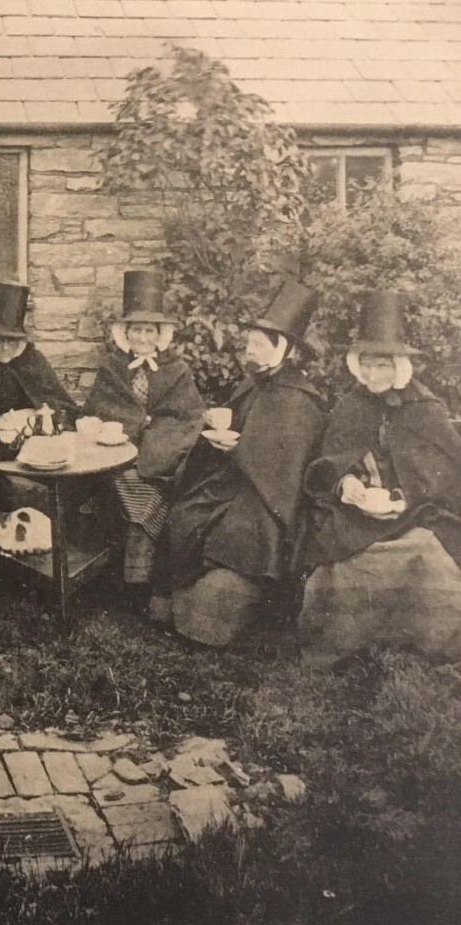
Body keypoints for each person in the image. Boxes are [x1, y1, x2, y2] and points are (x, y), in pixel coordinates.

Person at [297, 291, 461, 667]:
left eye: (382, 365)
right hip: (358, 515)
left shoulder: (425, 408)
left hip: (420, 512)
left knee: (427, 554)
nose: (373, 374)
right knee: (338, 566)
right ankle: (342, 648)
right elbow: (329, 461)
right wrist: (345, 484)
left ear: (399, 366)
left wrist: (405, 497)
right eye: (366, 365)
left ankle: (429, 646)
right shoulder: (351, 404)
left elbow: (447, 474)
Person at [162, 279, 327, 648]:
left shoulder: (301, 400)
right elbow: (239, 426)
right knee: (186, 514)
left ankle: (220, 616)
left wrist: (237, 447)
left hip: (271, 503)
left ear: (282, 349)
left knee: (236, 538)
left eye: (257, 344)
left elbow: (285, 469)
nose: (248, 350)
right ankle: (178, 606)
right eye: (249, 342)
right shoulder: (254, 383)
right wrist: (221, 439)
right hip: (234, 481)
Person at [81, 270, 205, 609]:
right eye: (136, 329)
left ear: (160, 335)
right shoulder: (112, 367)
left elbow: (191, 418)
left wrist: (157, 441)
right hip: (117, 456)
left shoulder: (177, 370)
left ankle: (139, 582)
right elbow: (96, 410)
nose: (143, 337)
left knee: (145, 489)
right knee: (117, 482)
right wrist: (116, 428)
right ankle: (116, 575)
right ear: (125, 333)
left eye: (149, 330)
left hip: (162, 461)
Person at [0, 281, 76, 435]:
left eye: (12, 340)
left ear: (20, 341)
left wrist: (33, 417)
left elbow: (63, 409)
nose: (5, 347)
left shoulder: (34, 361)